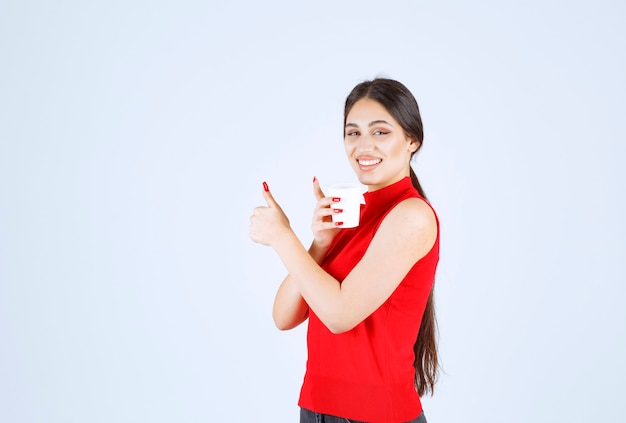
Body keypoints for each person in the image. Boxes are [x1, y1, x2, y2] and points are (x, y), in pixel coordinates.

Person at [249, 78, 440, 423]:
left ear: (412, 140)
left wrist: (282, 238)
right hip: (317, 410)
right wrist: (320, 244)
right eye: (353, 133)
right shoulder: (353, 215)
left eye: (380, 132)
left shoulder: (412, 215)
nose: (364, 145)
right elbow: (284, 317)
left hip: (375, 416)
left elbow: (339, 315)